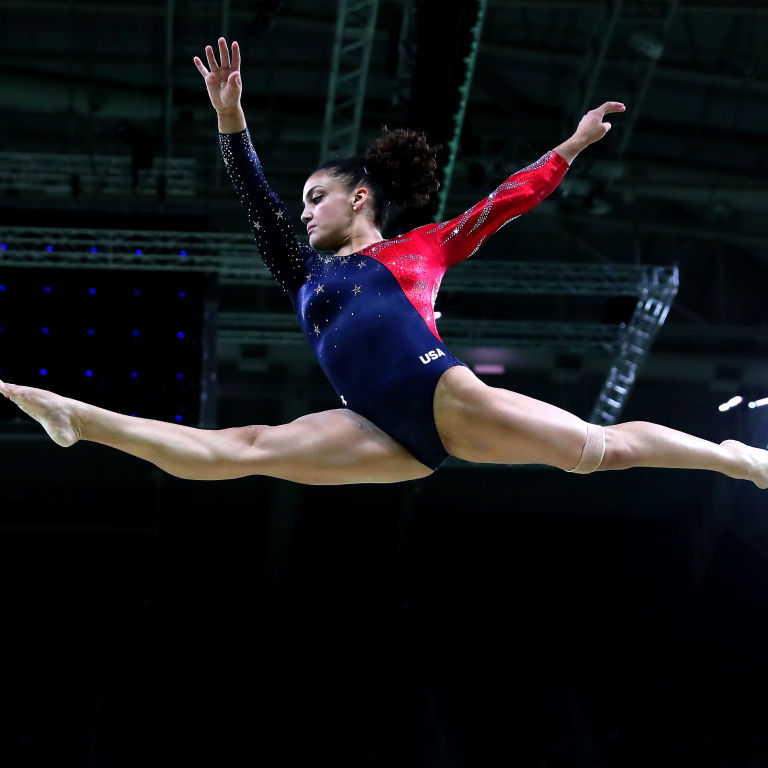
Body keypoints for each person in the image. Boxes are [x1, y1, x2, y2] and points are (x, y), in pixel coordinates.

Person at [0, 36, 766, 490]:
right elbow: (259, 205)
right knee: (244, 450)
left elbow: (504, 201)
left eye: (316, 197)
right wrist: (231, 122)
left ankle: (735, 458)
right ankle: (81, 419)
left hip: (442, 392)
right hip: (377, 428)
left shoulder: (421, 246)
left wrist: (570, 146)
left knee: (604, 450)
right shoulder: (302, 272)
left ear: (359, 197)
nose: (303, 212)